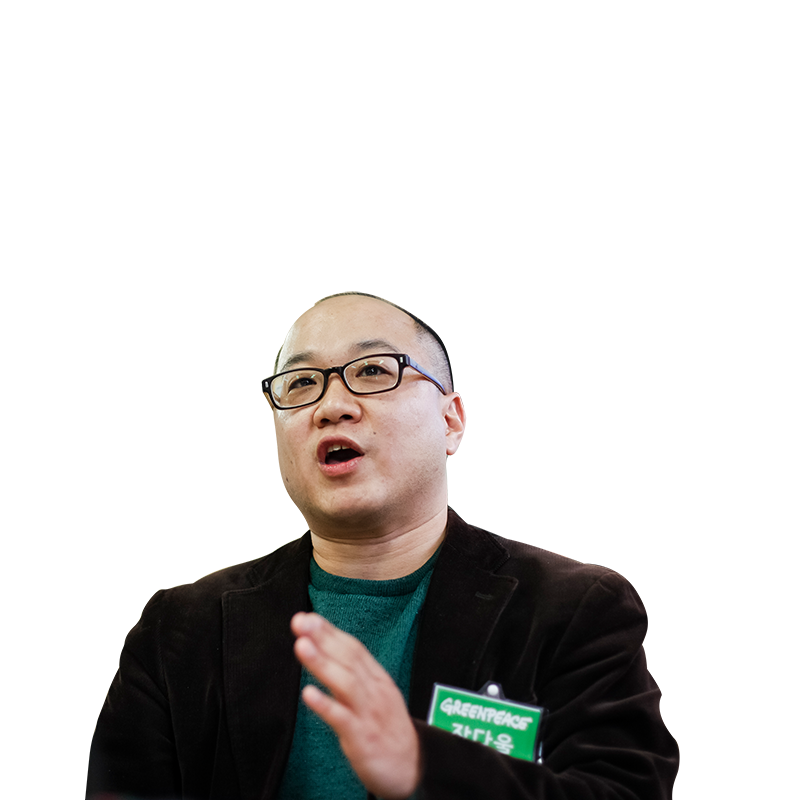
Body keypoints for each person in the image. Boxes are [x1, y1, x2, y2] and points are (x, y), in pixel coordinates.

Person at [91, 293, 678, 799]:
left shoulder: (574, 609)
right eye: (301, 383)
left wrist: (426, 766)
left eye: (373, 370)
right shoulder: (181, 629)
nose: (332, 406)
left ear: (451, 422)